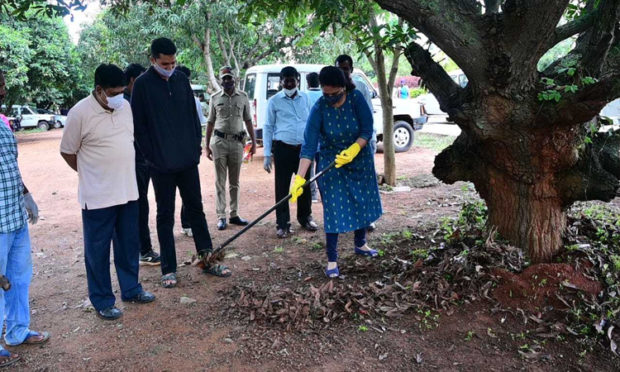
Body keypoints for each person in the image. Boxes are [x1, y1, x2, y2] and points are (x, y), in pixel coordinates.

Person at [131, 38, 230, 288]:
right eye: (165, 63)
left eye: (173, 62)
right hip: (160, 165)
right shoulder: (142, 85)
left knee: (196, 210)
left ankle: (208, 260)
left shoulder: (181, 80)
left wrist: (193, 151)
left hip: (187, 162)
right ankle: (168, 269)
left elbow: (192, 118)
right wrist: (151, 157)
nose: (170, 67)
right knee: (165, 215)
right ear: (153, 60)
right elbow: (138, 128)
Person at [60, 64, 156, 320]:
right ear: (99, 90)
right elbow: (68, 151)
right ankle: (102, 300)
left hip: (127, 190)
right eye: (113, 92)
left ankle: (131, 289)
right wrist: (90, 173)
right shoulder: (79, 113)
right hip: (98, 195)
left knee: (128, 244)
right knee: (98, 250)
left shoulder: (125, 107)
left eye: (122, 91)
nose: (119, 97)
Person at [291, 66, 382, 278]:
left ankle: (361, 244)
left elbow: (367, 130)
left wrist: (354, 149)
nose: (330, 98)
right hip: (331, 163)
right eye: (326, 94)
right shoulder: (320, 107)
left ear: (344, 87)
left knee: (359, 201)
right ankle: (332, 259)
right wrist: (299, 178)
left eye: (335, 94)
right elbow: (309, 146)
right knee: (333, 208)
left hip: (358, 158)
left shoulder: (356, 98)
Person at [0, 70, 49, 367]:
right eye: (1, 86)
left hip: (15, 216)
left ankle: (17, 331)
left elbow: (10, 168)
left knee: (19, 278)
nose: (4, 91)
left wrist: (26, 195)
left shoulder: (3, 124)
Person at [262, 67, 318, 238]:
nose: (289, 83)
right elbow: (268, 127)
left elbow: (311, 122)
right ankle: (283, 223)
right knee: (282, 187)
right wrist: (266, 154)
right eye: (285, 80)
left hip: (303, 150)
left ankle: (305, 217)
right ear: (281, 82)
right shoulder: (274, 101)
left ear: (297, 81)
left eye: (292, 80)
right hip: (283, 149)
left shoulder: (306, 98)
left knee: (304, 185)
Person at [205, 66, 256, 231]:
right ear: (221, 80)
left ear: (235, 79)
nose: (227, 81)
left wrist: (254, 143)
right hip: (219, 143)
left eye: (229, 78)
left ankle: (234, 214)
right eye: (224, 78)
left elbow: (248, 120)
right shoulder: (214, 98)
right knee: (220, 181)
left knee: (235, 182)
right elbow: (210, 123)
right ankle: (221, 216)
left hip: (236, 143)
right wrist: (206, 145)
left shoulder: (243, 97)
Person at [124, 63, 161, 266]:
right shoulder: (126, 103)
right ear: (132, 80)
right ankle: (143, 250)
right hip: (135, 162)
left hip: (140, 161)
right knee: (139, 206)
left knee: (139, 205)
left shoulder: (131, 100)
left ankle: (141, 248)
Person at [335, 54, 378, 232]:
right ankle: (350, 218)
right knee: (344, 184)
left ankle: (367, 219)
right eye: (339, 68)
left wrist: (368, 140)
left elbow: (368, 116)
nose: (343, 71)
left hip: (362, 142)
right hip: (341, 145)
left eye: (345, 68)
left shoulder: (360, 87)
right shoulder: (333, 89)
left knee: (364, 182)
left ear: (351, 70)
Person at [176, 65, 207, 238]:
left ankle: (188, 223)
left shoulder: (193, 100)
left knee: (190, 194)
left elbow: (198, 125)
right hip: (167, 155)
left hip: (188, 154)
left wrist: (196, 148)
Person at [305, 72, 322, 203]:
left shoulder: (305, 96)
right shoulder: (324, 96)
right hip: (323, 139)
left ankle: (313, 194)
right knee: (321, 167)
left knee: (309, 167)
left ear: (308, 83)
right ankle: (324, 192)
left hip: (310, 137)